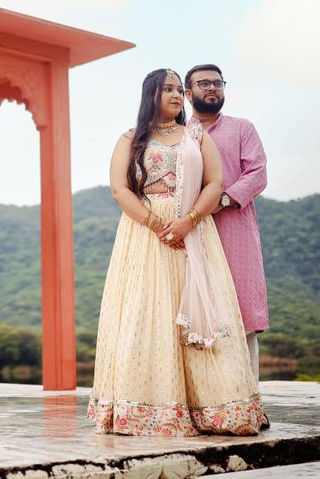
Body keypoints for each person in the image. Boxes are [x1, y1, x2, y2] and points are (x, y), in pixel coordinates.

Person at [87, 68, 268, 436]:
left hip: (194, 232)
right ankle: (149, 407)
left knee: (202, 315)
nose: (174, 95)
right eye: (166, 89)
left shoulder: (195, 136)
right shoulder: (130, 139)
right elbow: (120, 190)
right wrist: (157, 225)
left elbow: (215, 182)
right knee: (148, 314)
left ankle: (212, 409)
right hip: (144, 237)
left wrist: (189, 220)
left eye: (175, 89)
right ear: (150, 94)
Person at [184, 64, 268, 381]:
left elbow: (257, 175)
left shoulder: (242, 129)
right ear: (188, 93)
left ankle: (250, 401)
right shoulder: (181, 134)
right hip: (192, 234)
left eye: (217, 83)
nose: (212, 89)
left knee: (242, 318)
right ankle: (207, 403)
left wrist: (219, 201)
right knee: (197, 315)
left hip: (236, 233)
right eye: (203, 83)